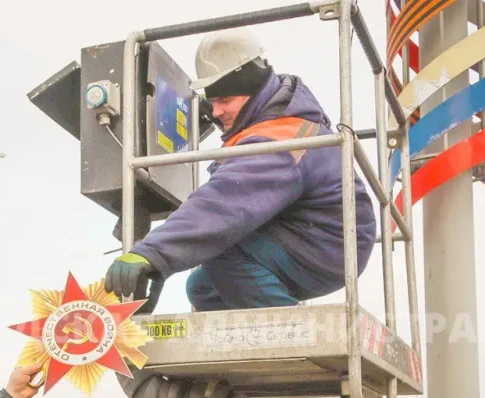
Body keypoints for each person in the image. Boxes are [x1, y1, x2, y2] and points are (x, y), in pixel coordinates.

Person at [105, 28, 376, 311]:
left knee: (224, 254)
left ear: (253, 91)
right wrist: (161, 260)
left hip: (327, 246)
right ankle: (252, 349)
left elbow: (223, 205)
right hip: (308, 238)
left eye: (225, 100)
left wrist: (151, 253)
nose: (217, 111)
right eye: (213, 102)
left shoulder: (280, 138)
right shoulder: (272, 123)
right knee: (203, 287)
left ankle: (294, 336)